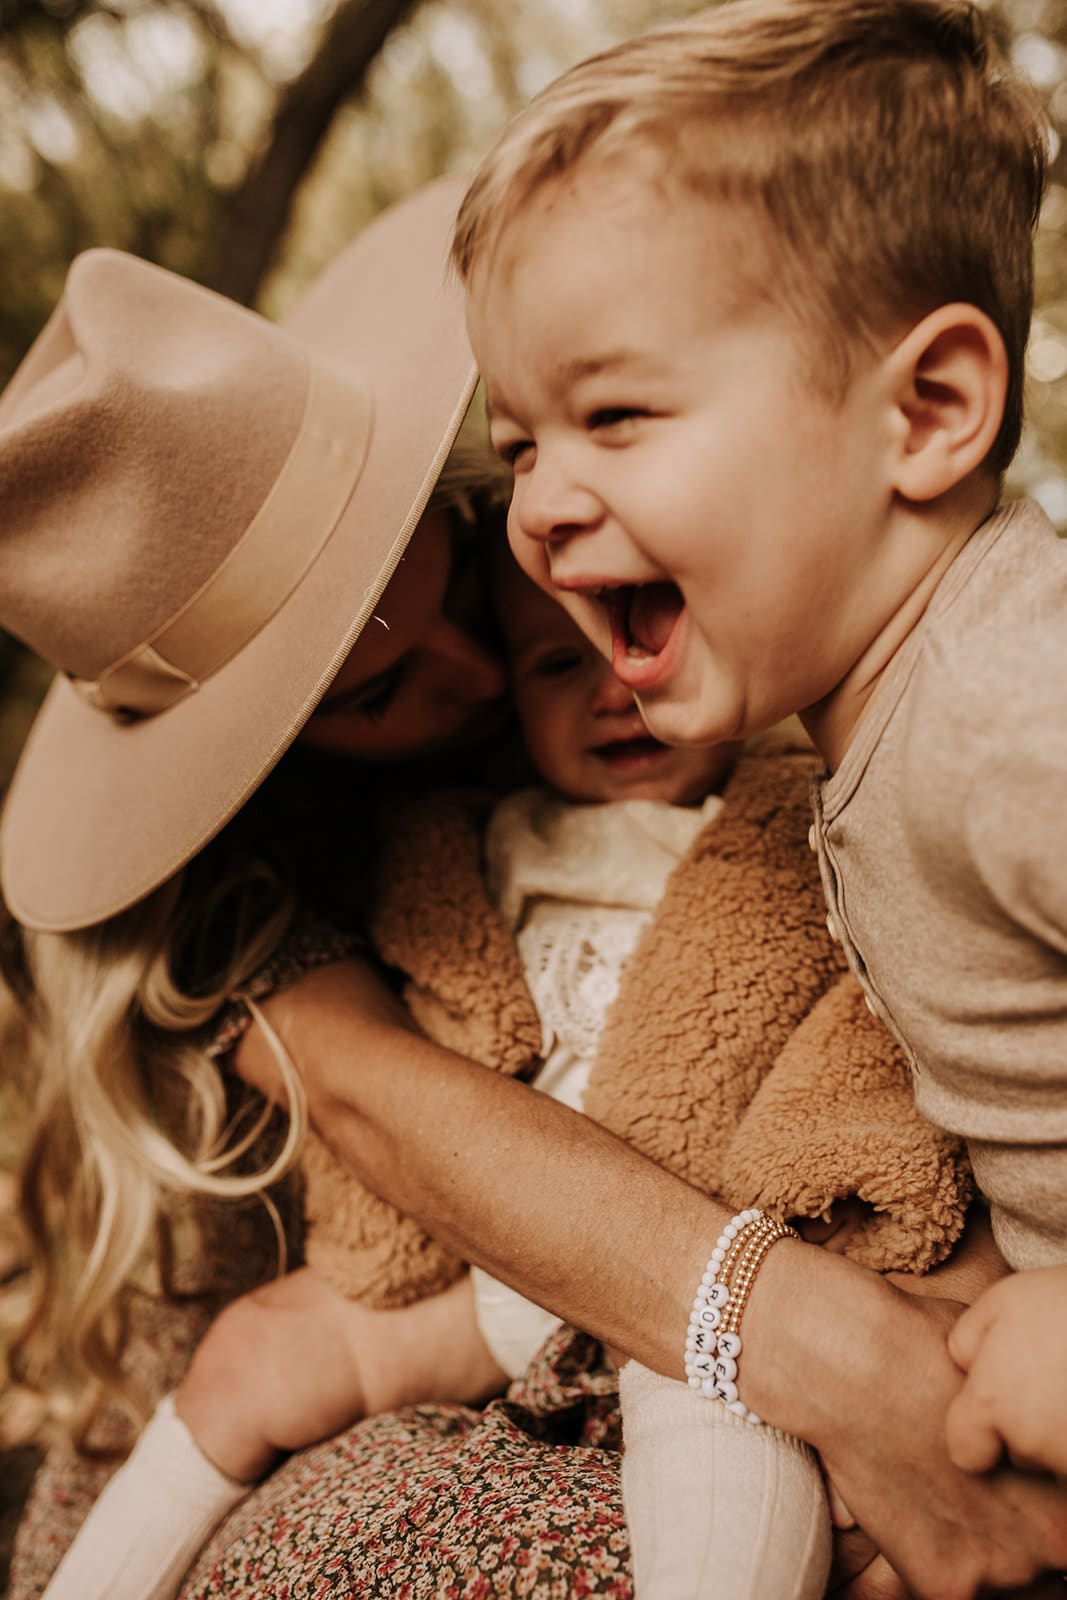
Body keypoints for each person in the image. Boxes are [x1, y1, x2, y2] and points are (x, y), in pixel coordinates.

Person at [1, 163, 1063, 1600]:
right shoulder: (259, 886)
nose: (487, 677)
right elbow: (386, 1109)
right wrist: (809, 1342)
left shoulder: (699, 683)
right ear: (280, 755)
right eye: (374, 694)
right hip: (413, 1292)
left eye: (442, 584)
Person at [37, 549, 975, 1600]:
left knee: (714, 1414)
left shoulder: (792, 819)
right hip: (482, 1256)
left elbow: (878, 1046)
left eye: (455, 605)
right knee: (254, 1351)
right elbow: (391, 1079)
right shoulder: (415, 857)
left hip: (701, 1239)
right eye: (383, 683)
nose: (483, 674)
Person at [452, 0, 1067, 1538]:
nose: (538, 507)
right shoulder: (868, 716)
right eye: (521, 441)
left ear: (923, 413)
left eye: (613, 416)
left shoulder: (1009, 703)